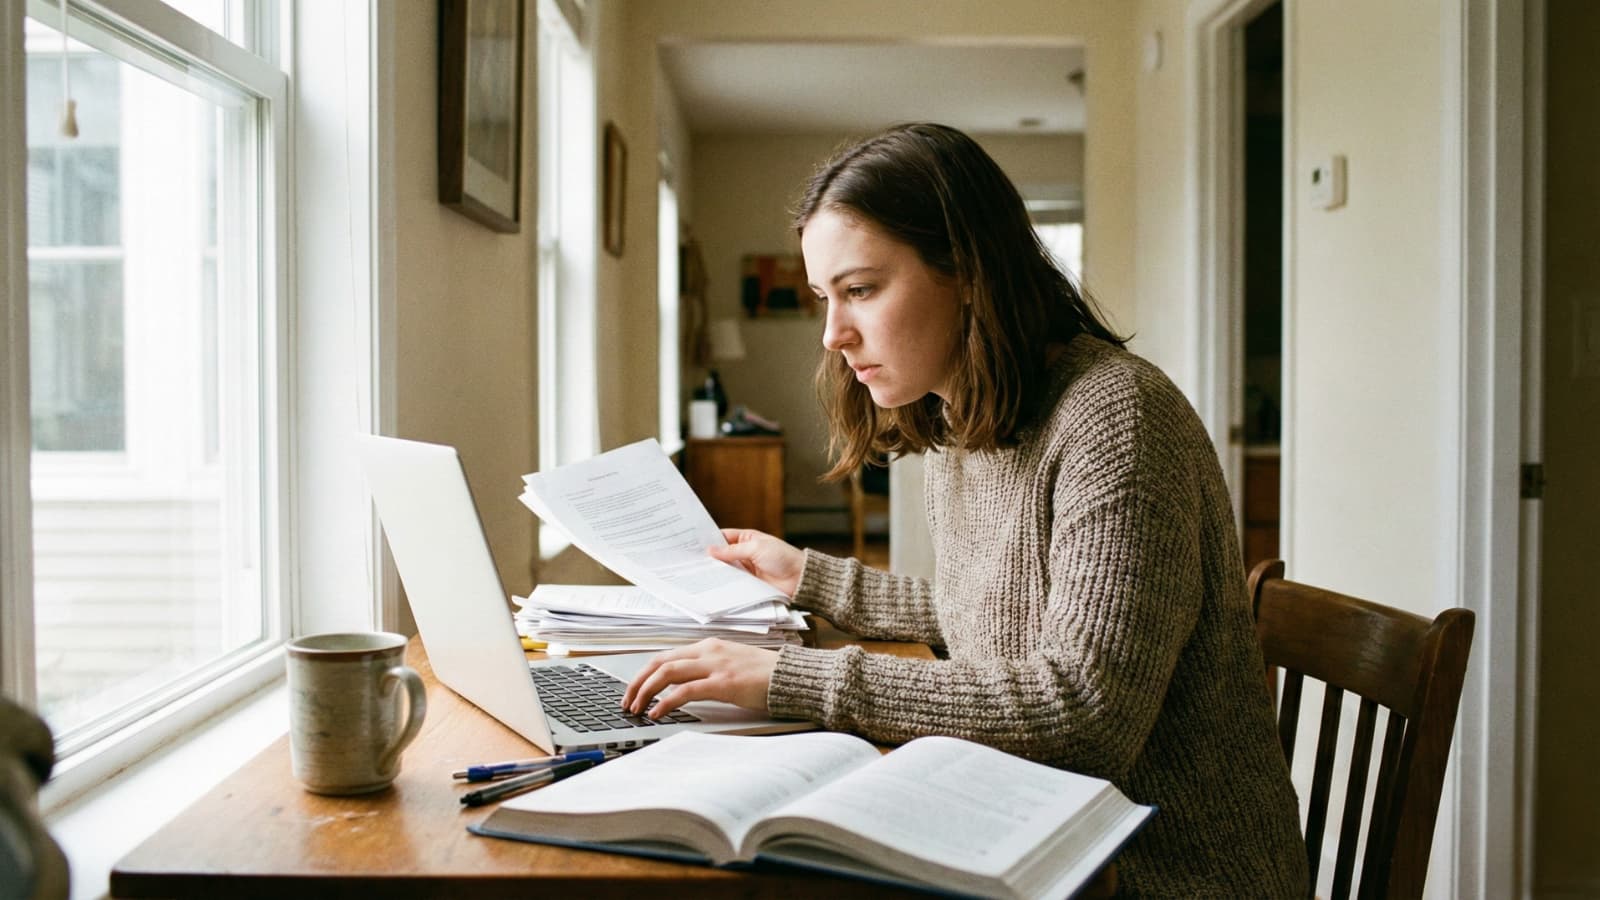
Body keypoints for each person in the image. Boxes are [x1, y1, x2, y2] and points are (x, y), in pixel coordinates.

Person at [622, 123, 1307, 896]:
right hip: (1036, 827)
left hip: (1164, 872)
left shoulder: (1118, 419)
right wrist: (807, 577)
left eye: (860, 290)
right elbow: (984, 610)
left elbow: (1081, 715)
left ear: (970, 274)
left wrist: (792, 678)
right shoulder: (965, 421)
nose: (833, 335)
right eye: (823, 297)